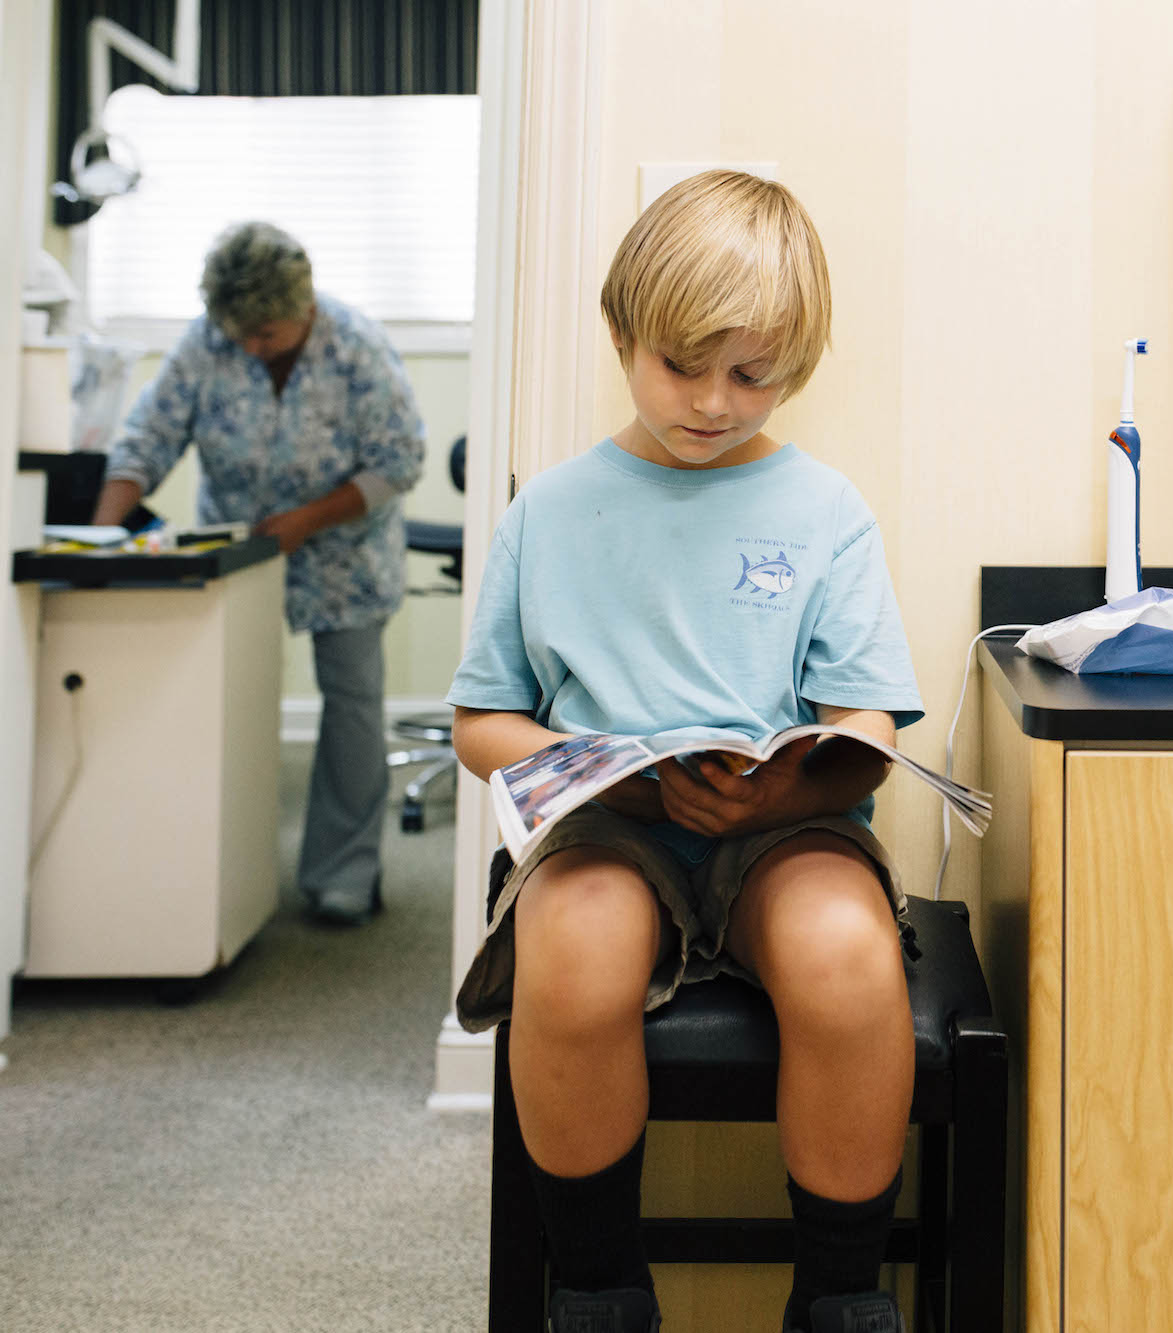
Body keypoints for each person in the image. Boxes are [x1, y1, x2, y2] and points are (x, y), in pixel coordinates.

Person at [448, 171, 924, 1333]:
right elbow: (481, 723)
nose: (713, 401)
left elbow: (865, 725)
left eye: (752, 375)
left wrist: (777, 795)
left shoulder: (822, 509)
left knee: (847, 956)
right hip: (609, 825)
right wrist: (591, 759)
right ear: (621, 333)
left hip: (783, 828)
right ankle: (604, 1288)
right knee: (573, 952)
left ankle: (839, 1295)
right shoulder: (550, 514)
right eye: (681, 365)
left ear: (797, 365)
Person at [93, 221, 426, 926]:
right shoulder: (208, 341)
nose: (250, 346)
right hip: (240, 549)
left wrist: (308, 518)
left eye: (265, 334)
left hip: (345, 550)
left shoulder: (355, 344)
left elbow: (400, 459)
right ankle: (225, 867)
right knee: (222, 701)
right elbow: (147, 438)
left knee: (353, 702)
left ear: (303, 307)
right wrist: (96, 537)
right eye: (240, 333)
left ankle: (344, 873)